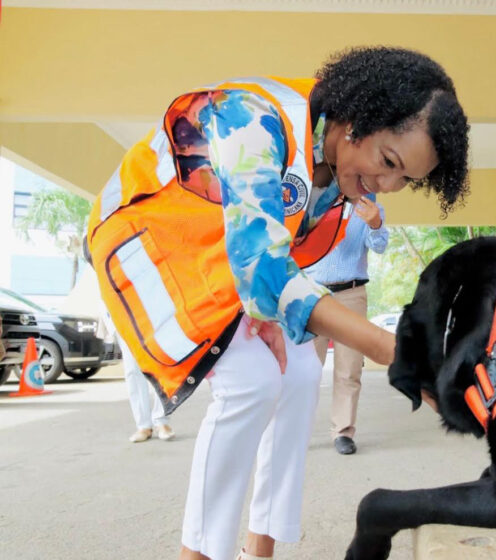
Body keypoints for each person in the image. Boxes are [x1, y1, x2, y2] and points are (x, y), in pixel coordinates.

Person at [85, 47, 469, 560]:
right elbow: (265, 271)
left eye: (406, 180)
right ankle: (198, 555)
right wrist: (396, 352)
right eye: (389, 162)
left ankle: (258, 549)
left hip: (217, 265)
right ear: (358, 122)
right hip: (147, 246)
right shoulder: (254, 117)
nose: (387, 185)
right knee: (252, 383)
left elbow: (268, 264)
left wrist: (263, 313)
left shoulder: (335, 175)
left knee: (303, 372)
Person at [308, 194, 388, 456]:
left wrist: (376, 224)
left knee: (349, 369)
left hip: (350, 294)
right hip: (312, 293)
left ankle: (342, 431)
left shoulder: (369, 208)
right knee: (304, 369)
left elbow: (378, 246)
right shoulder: (314, 200)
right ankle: (296, 430)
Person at [119, 334, 176, 442]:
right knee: (132, 370)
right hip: (121, 319)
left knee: (160, 364)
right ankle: (143, 426)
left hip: (152, 319)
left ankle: (161, 421)